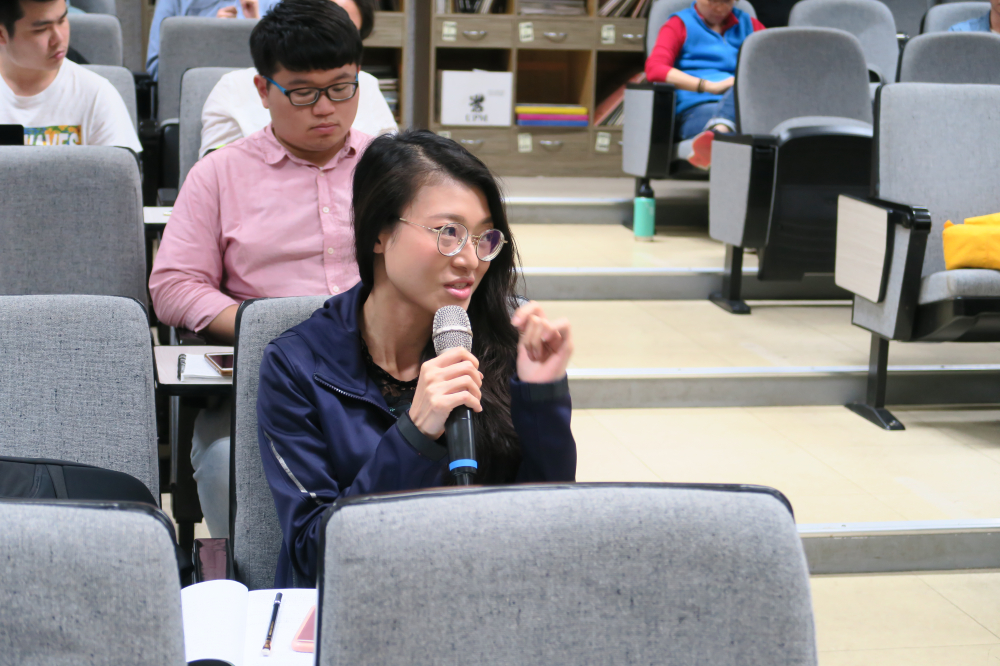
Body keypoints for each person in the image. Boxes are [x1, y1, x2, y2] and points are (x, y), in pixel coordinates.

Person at [257, 130, 578, 588]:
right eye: (449, 232)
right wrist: (414, 435)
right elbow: (314, 553)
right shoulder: (297, 364)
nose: (470, 260)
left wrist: (541, 396)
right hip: (361, 603)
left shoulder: (502, 337)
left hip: (481, 591)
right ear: (379, 233)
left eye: (483, 237)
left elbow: (548, 523)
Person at [148, 0, 369, 538]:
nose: (325, 108)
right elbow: (173, 285)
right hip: (262, 380)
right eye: (303, 92)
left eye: (342, 88)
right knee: (226, 465)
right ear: (263, 90)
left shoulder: (392, 167)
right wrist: (266, 328)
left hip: (382, 375)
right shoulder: (219, 175)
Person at [200, 0, 395, 158]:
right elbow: (218, 172)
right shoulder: (233, 86)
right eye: (303, 92)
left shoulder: (366, 83)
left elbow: (390, 159)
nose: (325, 109)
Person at [0, 0, 141, 149]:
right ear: (2, 34)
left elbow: (119, 164)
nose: (58, 39)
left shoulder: (97, 95)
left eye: (62, 21)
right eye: (41, 30)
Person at [644, 0, 764, 168]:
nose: (720, 8)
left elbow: (773, 63)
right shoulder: (679, 24)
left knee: (744, 88)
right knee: (748, 124)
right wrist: (707, 86)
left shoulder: (750, 25)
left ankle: (718, 134)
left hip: (742, 105)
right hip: (696, 110)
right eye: (712, 1)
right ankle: (721, 131)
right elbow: (655, 69)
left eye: (727, 2)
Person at [145, 0, 282, 80]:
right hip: (195, 100)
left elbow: (284, 67)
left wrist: (255, 27)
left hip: (256, 99)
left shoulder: (271, 3)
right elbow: (158, 67)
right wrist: (210, 40)